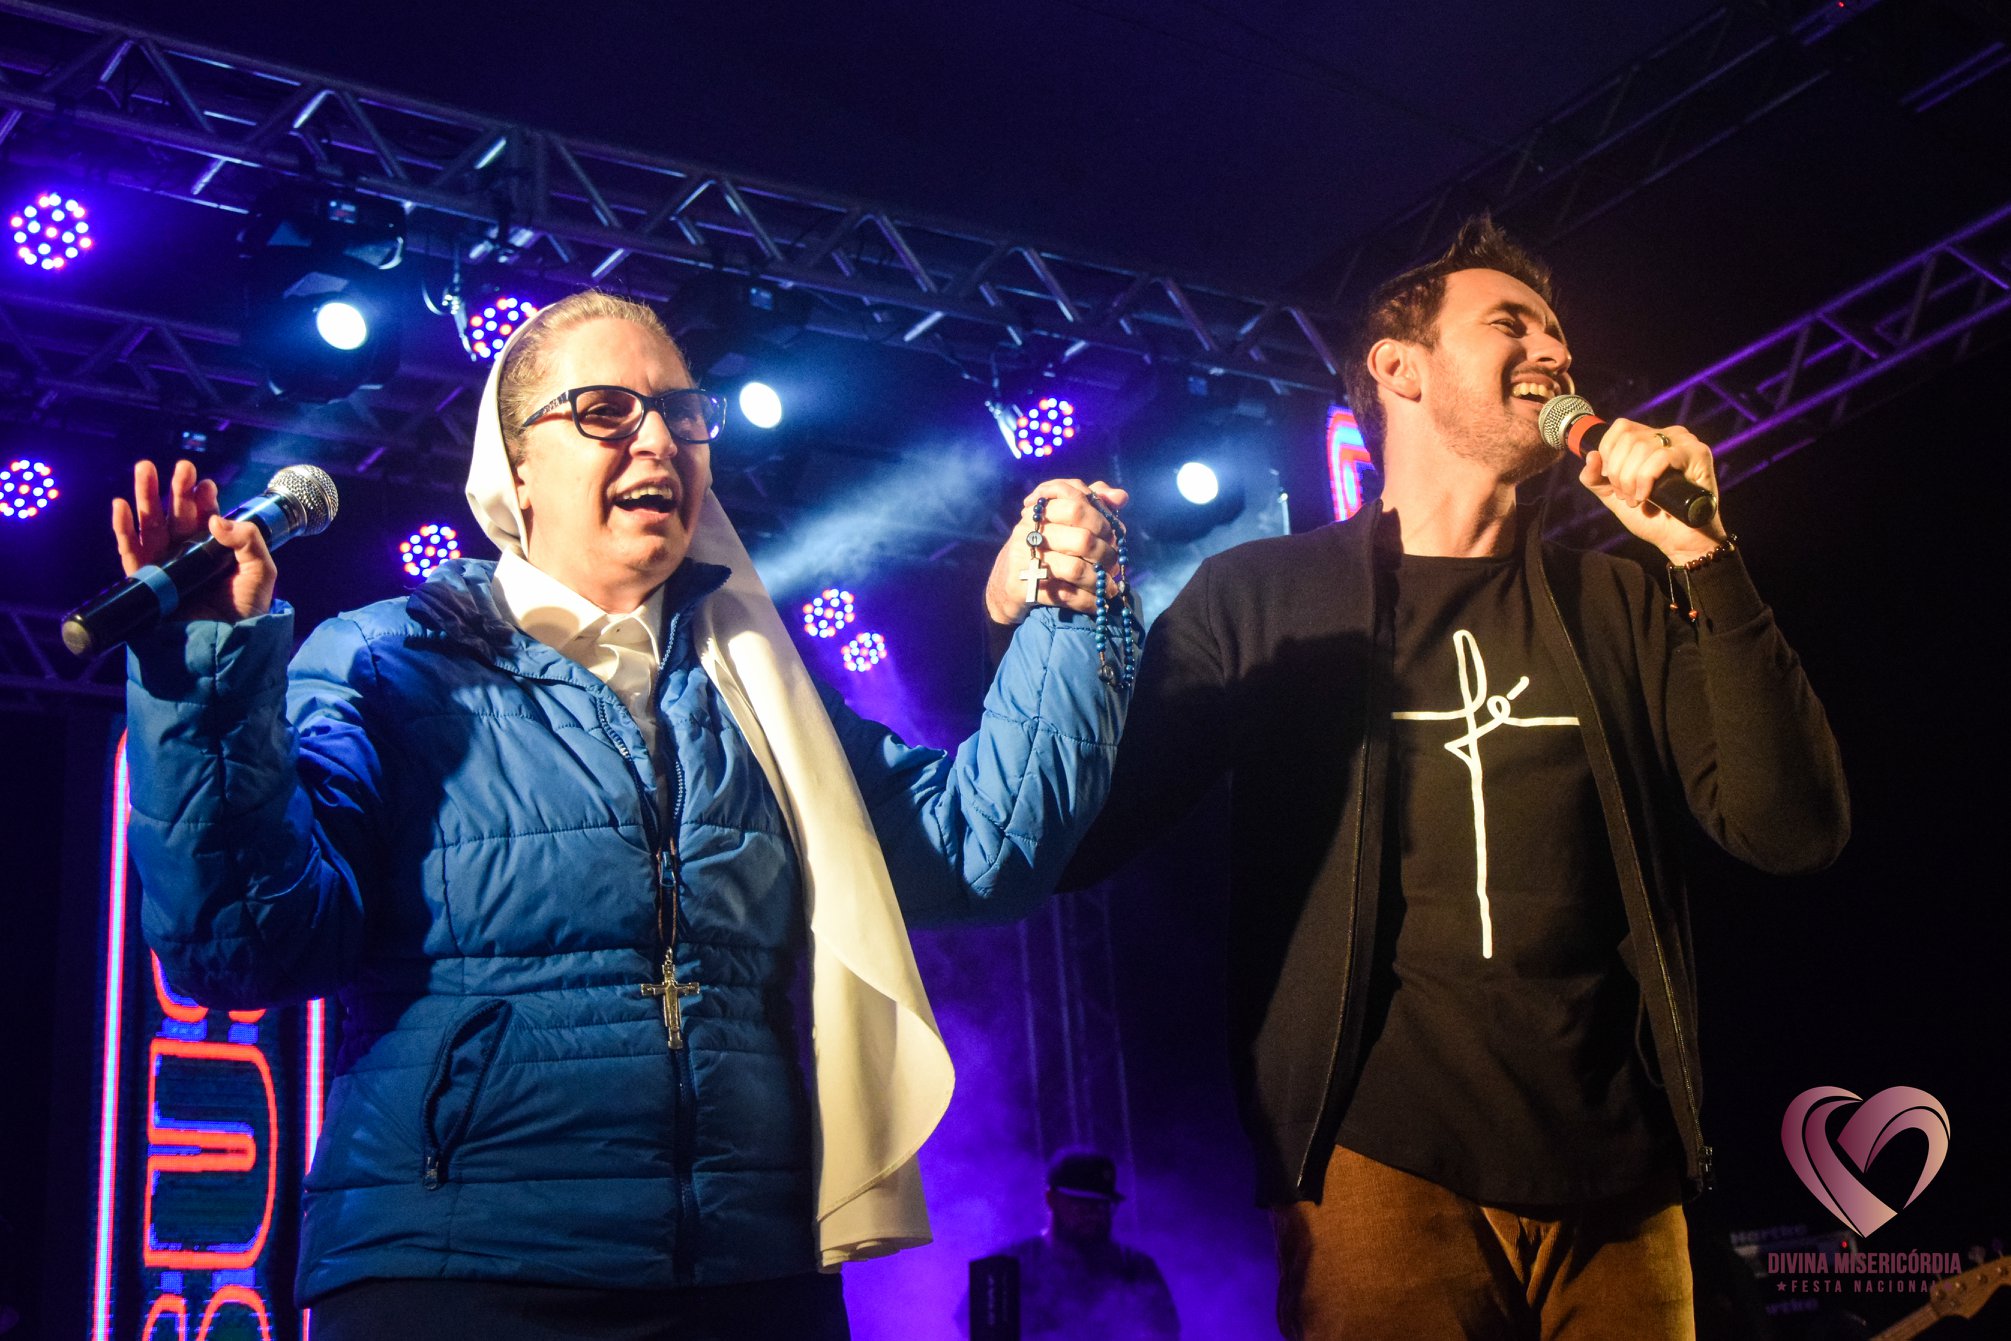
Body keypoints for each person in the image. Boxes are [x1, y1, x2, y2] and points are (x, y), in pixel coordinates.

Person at [115, 289, 1134, 1339]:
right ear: (515, 468)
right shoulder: (384, 661)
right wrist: (206, 675)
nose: (658, 439)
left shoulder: (763, 687)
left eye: (682, 413)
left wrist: (1067, 616)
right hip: (458, 1275)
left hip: (748, 1275)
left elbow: (979, 853)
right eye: (604, 410)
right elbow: (248, 948)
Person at [1062, 218, 1849, 1339]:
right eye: (1510, 324)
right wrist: (1040, 634)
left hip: (1621, 1178)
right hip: (1380, 1163)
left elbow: (1792, 829)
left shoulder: (1618, 601)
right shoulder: (1263, 599)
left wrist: (1703, 559)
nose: (1553, 350)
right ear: (1400, 367)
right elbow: (1083, 834)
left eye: (1558, 334)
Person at [961, 1149, 1179, 1341]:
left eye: (1102, 1206)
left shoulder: (1135, 1268)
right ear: (1051, 1199)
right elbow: (973, 1329)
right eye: (1081, 1204)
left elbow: (1163, 1333)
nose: (1093, 1215)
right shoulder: (1006, 1268)